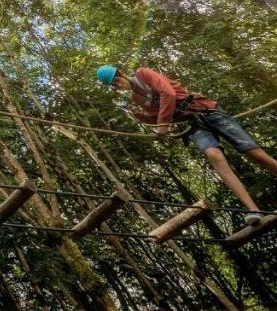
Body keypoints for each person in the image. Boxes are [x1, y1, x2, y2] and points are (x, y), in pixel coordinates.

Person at [97, 64, 277, 226]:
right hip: (191, 124)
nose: (118, 85)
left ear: (122, 73)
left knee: (255, 154)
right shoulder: (135, 98)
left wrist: (162, 124)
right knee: (214, 156)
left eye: (117, 80)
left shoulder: (143, 74)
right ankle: (254, 210)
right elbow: (156, 115)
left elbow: (168, 93)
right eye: (114, 85)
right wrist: (141, 116)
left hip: (206, 111)